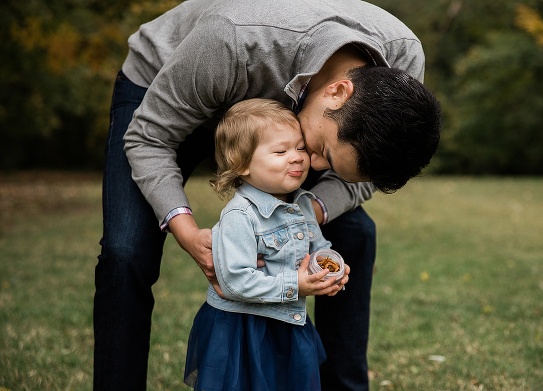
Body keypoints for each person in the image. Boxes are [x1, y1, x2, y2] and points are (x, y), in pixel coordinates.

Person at [93, 1, 442, 390]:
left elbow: (362, 176)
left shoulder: (401, 69)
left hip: (277, 116)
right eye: (324, 153)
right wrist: (187, 230)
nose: (316, 167)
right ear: (339, 92)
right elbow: (148, 139)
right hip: (172, 82)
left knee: (355, 233)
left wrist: (311, 210)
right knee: (126, 251)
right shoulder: (233, 39)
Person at [184, 98, 349, 390]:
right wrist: (295, 285)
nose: (297, 157)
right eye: (280, 151)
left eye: (300, 147)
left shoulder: (303, 204)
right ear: (242, 164)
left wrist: (329, 268)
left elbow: (317, 247)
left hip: (287, 323)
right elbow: (235, 281)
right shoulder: (240, 215)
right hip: (243, 329)